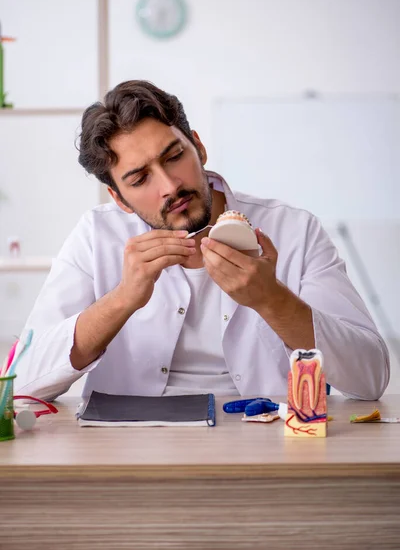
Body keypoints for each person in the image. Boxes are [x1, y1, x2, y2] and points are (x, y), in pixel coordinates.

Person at [15, 80, 389, 401]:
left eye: (175, 156)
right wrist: (122, 300)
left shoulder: (294, 230)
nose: (170, 186)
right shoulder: (97, 236)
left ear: (198, 146)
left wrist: (271, 299)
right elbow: (23, 383)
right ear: (118, 198)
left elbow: (370, 379)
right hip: (131, 453)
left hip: (268, 449)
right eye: (139, 179)